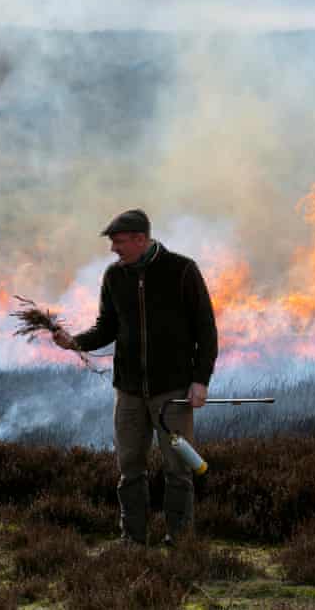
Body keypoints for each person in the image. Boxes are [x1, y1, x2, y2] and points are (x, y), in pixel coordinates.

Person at [53, 208, 218, 546]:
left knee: (178, 468)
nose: (114, 249)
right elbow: (107, 328)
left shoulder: (183, 271)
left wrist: (200, 380)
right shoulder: (115, 276)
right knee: (129, 466)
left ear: (141, 239)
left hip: (172, 390)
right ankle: (132, 539)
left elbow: (206, 330)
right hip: (128, 390)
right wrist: (76, 343)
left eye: (119, 242)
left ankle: (180, 540)